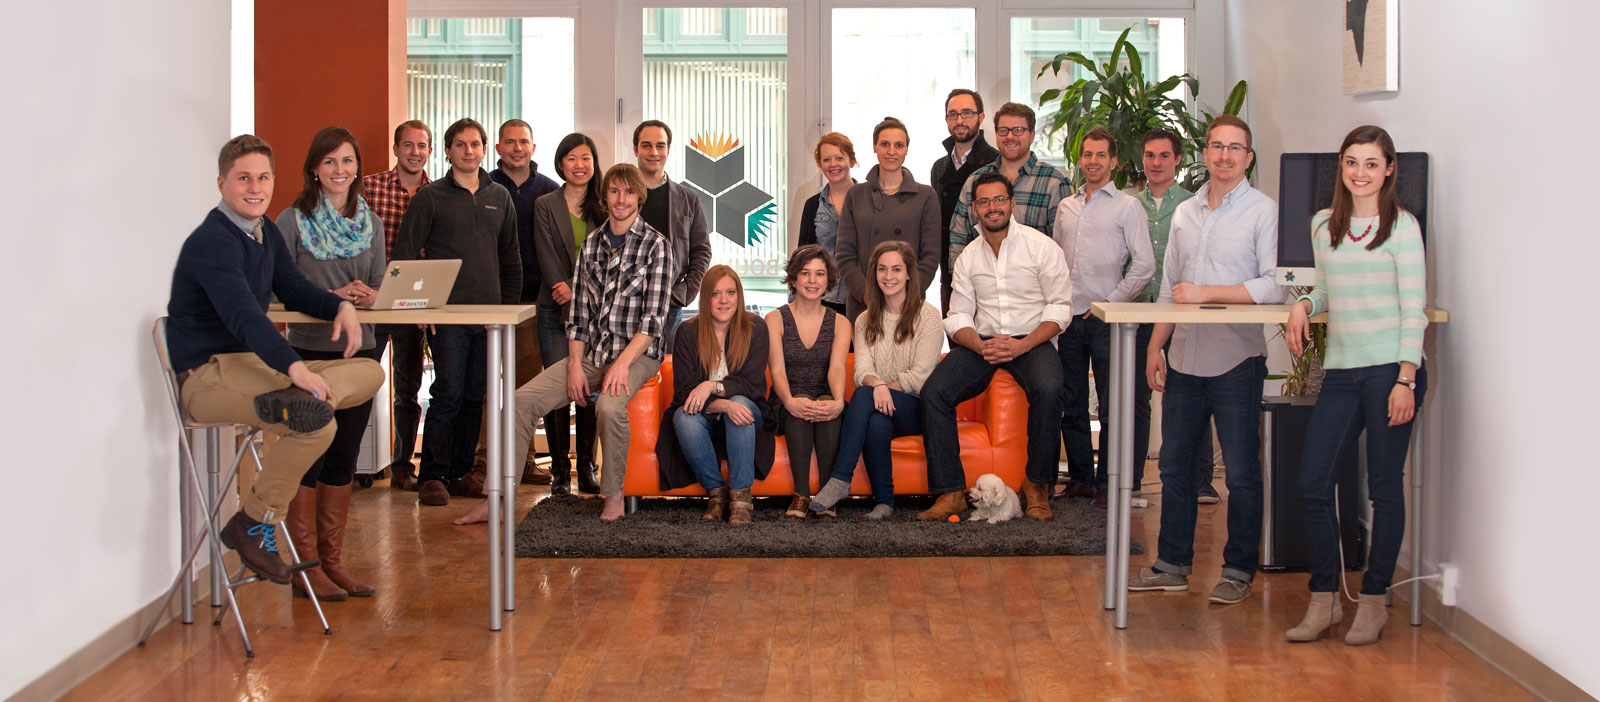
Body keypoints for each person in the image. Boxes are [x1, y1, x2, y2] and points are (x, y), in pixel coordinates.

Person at [167, 134, 383, 586]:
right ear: (222, 183)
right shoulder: (213, 241)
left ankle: (306, 401)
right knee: (318, 426)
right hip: (208, 376)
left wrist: (339, 306)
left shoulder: (263, 230)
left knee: (370, 370)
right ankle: (253, 521)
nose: (255, 188)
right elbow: (245, 316)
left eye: (263, 178)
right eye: (243, 178)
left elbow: (294, 288)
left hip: (251, 367)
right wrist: (295, 368)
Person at [455, 164, 672, 524]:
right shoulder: (592, 244)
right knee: (520, 402)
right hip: (591, 354)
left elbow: (653, 320)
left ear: (639, 197)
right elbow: (579, 313)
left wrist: (621, 365)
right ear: (605, 198)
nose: (621, 199)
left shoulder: (656, 246)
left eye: (628, 192)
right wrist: (574, 365)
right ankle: (499, 499)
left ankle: (613, 495)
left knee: (608, 408)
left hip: (637, 355)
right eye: (614, 192)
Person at [1130, 115, 1284, 605]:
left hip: (1236, 359)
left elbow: (1274, 286)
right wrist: (1156, 345)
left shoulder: (1264, 211)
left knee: (1240, 474)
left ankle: (1237, 570)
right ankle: (1171, 565)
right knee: (1175, 468)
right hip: (1183, 357)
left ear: (1248, 158)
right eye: (1217, 146)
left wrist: (1207, 293)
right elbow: (1169, 287)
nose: (1224, 156)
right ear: (1205, 153)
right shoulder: (1185, 213)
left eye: (1235, 148)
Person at [1284, 125, 1428, 646]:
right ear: (1341, 167)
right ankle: (1324, 600)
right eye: (1351, 162)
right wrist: (1304, 303)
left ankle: (1373, 600)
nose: (1360, 173)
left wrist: (1406, 378)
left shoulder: (1403, 228)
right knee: (1312, 484)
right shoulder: (1324, 225)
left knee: (1383, 490)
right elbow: (1327, 288)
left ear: (1389, 170)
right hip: (1344, 372)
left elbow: (1414, 309)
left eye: (1371, 163)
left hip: (1392, 370)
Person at [916, 173, 1072, 522]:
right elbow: (958, 315)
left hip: (1031, 339)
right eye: (984, 202)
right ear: (975, 209)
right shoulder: (969, 257)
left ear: (1012, 203)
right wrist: (978, 344)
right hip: (983, 342)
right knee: (935, 392)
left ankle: (1037, 484)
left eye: (999, 199)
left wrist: (1022, 345)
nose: (992, 207)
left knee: (1050, 389)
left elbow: (1061, 308)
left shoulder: (1041, 247)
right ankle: (951, 492)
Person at [274, 127, 387, 601]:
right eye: (330, 162)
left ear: (357, 167)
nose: (340, 170)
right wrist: (330, 297)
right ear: (314, 169)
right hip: (310, 353)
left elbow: (381, 282)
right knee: (310, 454)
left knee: (344, 455)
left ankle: (332, 563)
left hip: (359, 350)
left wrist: (370, 296)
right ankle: (305, 568)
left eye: (347, 161)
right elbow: (278, 286)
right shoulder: (290, 220)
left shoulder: (371, 222)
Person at [391, 118, 521, 508]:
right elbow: (404, 255)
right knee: (447, 393)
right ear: (447, 151)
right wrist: (415, 307)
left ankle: (461, 472)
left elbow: (510, 260)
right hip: (445, 317)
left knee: (474, 395)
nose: (468, 151)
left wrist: (506, 315)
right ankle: (432, 475)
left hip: (489, 319)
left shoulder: (500, 196)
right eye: (460, 145)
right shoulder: (429, 198)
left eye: (475, 144)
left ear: (484, 150)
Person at [1051, 126, 1155, 509]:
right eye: (1087, 154)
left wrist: (1111, 302)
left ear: (1114, 162)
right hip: (1068, 318)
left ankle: (1109, 482)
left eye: (1100, 155)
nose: (1092, 161)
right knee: (1072, 403)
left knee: (1112, 406)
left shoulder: (1128, 206)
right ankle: (1080, 480)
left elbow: (1144, 264)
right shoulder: (1067, 206)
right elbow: (1056, 261)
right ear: (1080, 160)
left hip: (1107, 318)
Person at [808, 241, 943, 520]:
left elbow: (921, 376)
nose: (889, 276)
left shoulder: (928, 317)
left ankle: (841, 477)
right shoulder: (864, 320)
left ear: (909, 274)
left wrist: (880, 389)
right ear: (874, 274)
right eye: (882, 269)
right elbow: (862, 372)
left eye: (896, 269)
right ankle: (884, 502)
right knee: (875, 422)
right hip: (880, 406)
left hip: (917, 409)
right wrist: (878, 387)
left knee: (864, 396)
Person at [1124, 129, 1219, 506]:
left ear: (1178, 159)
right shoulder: (1130, 205)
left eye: (1164, 155)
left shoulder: (1194, 205)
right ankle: (1131, 480)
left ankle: (1202, 481)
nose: (1156, 162)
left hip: (1183, 310)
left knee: (1192, 393)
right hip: (1138, 309)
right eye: (1150, 155)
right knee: (1136, 397)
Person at [478, 118, 561, 487]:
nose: (516, 148)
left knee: (524, 389)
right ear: (498, 148)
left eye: (523, 142)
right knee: (483, 386)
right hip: (486, 302)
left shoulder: (549, 191)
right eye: (509, 142)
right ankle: (482, 461)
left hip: (531, 305)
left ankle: (523, 461)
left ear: (533, 147)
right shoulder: (482, 186)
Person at [658, 266, 775, 523]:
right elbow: (686, 392)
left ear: (739, 295)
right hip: (706, 417)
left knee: (740, 403)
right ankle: (717, 495)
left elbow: (753, 386)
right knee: (684, 417)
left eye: (730, 292)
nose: (724, 300)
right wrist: (723, 405)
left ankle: (741, 499)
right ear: (705, 298)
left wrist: (712, 386)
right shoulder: (687, 332)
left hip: (749, 415)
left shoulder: (755, 327)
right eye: (715, 293)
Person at [528, 132, 604, 496]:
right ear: (561, 164)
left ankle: (586, 466)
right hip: (552, 305)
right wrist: (563, 286)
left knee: (587, 384)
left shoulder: (603, 205)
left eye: (586, 158)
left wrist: (580, 290)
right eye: (572, 158)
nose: (579, 165)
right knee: (557, 385)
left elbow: (607, 257)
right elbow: (544, 251)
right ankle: (559, 469)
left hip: (594, 311)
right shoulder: (545, 204)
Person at [363, 120, 432, 491]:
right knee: (358, 383)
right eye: (408, 145)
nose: (414, 152)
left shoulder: (437, 193)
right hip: (371, 303)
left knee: (408, 391)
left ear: (430, 151)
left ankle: (403, 466)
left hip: (411, 305)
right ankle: (348, 464)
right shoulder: (369, 188)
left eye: (421, 146)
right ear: (396, 149)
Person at [765, 245, 851, 518]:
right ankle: (801, 495)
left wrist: (838, 402)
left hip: (824, 396)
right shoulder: (775, 319)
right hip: (785, 402)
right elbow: (777, 370)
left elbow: (836, 368)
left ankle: (826, 496)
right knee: (800, 406)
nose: (812, 281)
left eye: (819, 274)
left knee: (827, 407)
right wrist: (790, 401)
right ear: (793, 278)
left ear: (828, 281)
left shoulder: (840, 322)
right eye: (805, 273)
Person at [834, 116, 940, 321]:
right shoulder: (856, 194)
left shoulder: (925, 196)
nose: (892, 151)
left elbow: (930, 256)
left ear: (906, 150)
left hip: (907, 306)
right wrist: (867, 295)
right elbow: (845, 254)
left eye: (898, 145)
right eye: (885, 144)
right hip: (864, 305)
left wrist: (904, 298)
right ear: (874, 147)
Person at [947, 102, 1070, 263]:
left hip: (1035, 278)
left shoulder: (1055, 183)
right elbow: (958, 239)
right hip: (983, 277)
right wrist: (960, 276)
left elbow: (1063, 245)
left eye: (1018, 130)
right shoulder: (974, 181)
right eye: (1003, 130)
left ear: (1032, 135)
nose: (1010, 137)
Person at [633, 120, 711, 341]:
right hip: (625, 305)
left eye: (660, 145)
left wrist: (684, 293)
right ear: (635, 149)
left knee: (668, 362)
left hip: (669, 306)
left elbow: (702, 251)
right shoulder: (621, 196)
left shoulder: (688, 198)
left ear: (668, 149)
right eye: (646, 145)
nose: (654, 152)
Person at [930, 89, 998, 310]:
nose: (960, 120)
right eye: (953, 114)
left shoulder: (996, 163)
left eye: (967, 113)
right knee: (954, 328)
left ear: (981, 117)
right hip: (949, 273)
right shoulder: (939, 167)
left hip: (988, 274)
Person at [797, 132, 858, 315]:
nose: (833, 164)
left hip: (860, 298)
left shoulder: (869, 201)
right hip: (823, 299)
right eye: (826, 159)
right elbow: (802, 257)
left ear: (852, 160)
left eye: (839, 158)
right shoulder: (812, 205)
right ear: (820, 164)